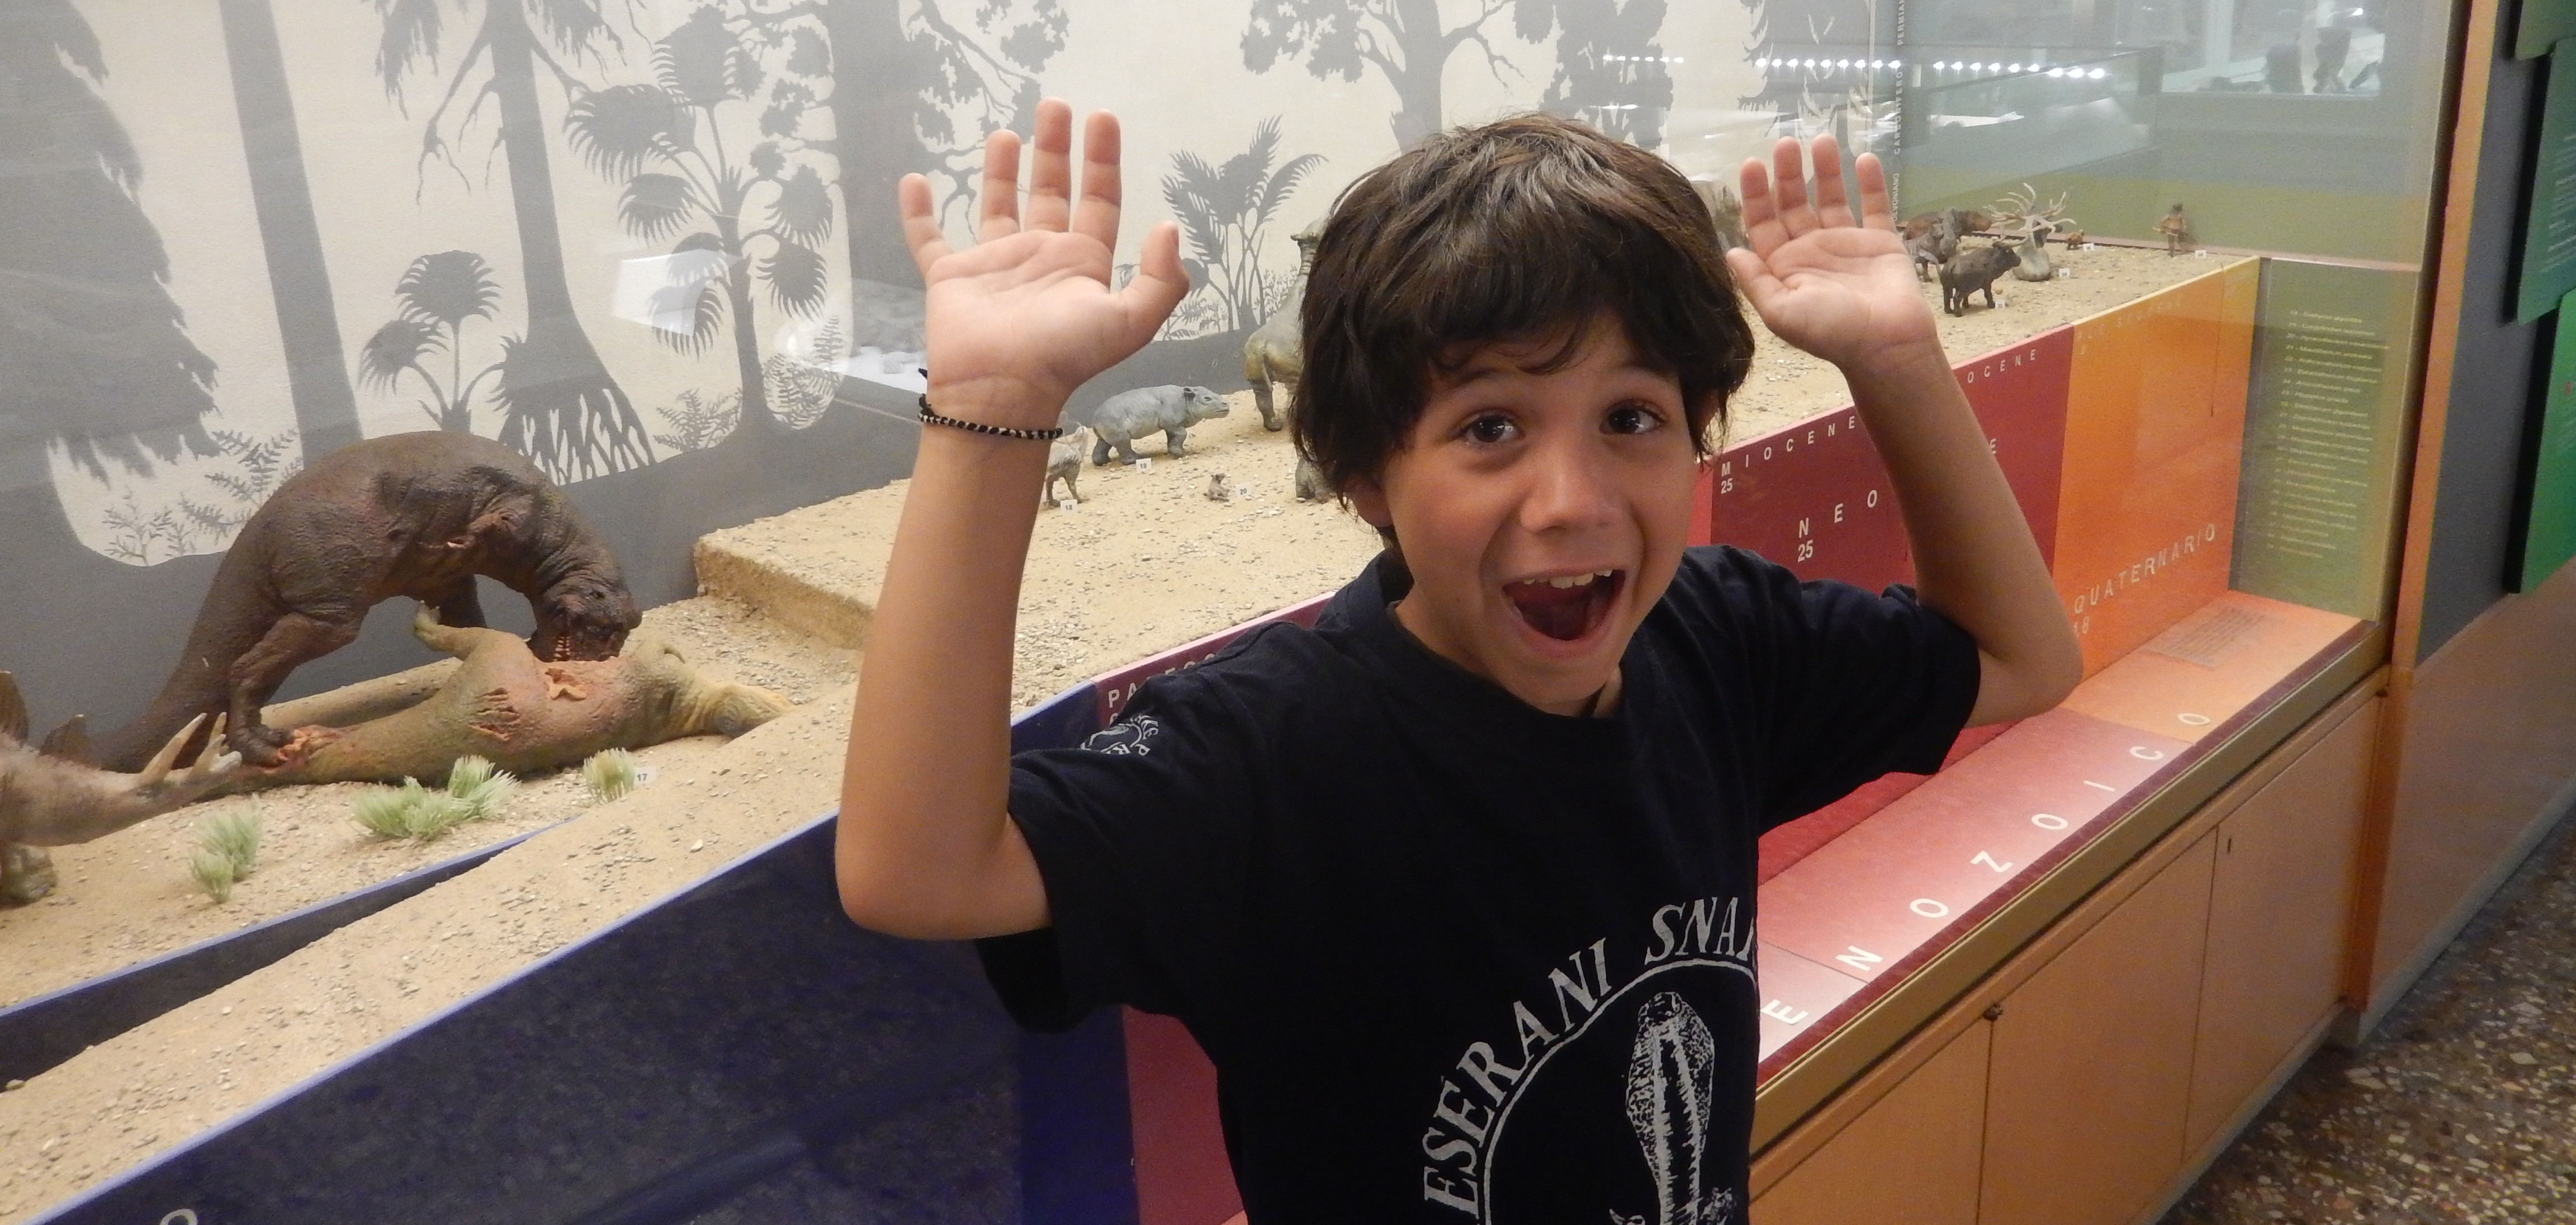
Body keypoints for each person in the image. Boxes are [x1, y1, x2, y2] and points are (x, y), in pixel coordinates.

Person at [836, 101, 2081, 1222]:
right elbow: (919, 873)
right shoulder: (1274, 756)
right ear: (1366, 477)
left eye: (1632, 418)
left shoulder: (1719, 641)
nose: (1573, 499)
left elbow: (2021, 662)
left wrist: (1895, 358)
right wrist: (995, 406)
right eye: (1490, 427)